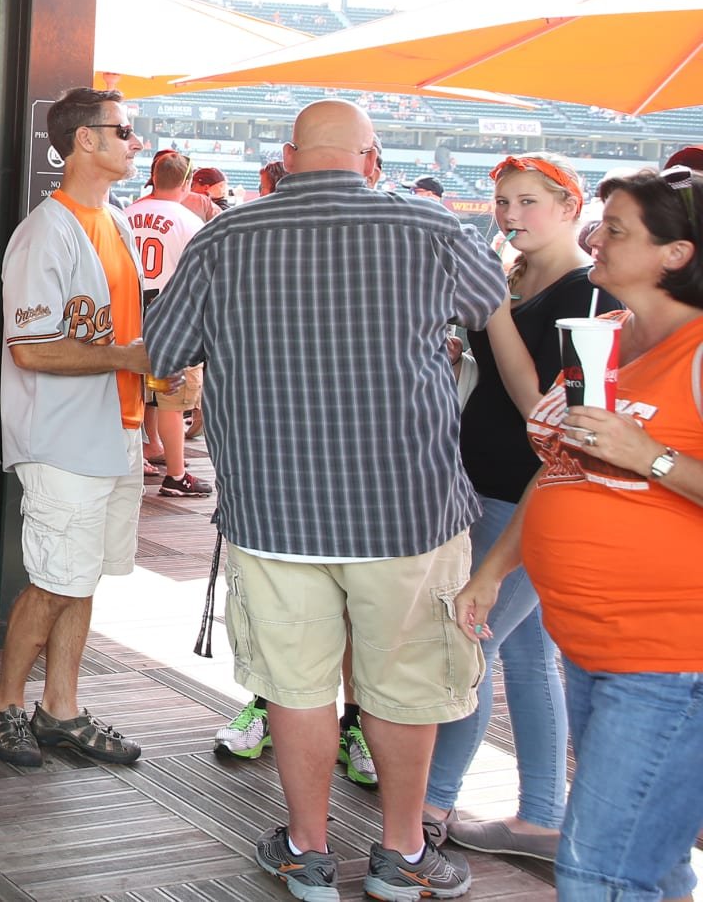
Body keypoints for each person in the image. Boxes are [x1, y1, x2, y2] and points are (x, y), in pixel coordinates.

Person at [146, 99, 504, 902]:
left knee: (296, 684)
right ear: (371, 160)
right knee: (406, 682)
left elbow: (166, 354)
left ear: (286, 157)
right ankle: (404, 854)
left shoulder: (226, 236)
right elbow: (495, 323)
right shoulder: (434, 230)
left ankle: (308, 852)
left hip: (276, 511)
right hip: (409, 508)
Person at [453, 167, 703, 901]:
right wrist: (494, 569)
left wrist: (650, 456)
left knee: (598, 872)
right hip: (593, 649)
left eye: (617, 229)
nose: (598, 236)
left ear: (676, 255)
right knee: (648, 865)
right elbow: (559, 472)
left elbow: (637, 458)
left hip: (668, 657)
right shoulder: (610, 338)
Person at [422, 154, 604, 863]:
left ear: (568, 206)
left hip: (529, 489)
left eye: (527, 202)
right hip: (487, 479)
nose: (510, 216)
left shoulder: (583, 292)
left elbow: (538, 407)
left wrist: (491, 309)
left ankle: (432, 800)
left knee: (473, 642)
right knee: (525, 652)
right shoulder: (520, 277)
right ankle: (540, 814)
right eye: (502, 202)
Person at [0, 87, 150, 772]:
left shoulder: (114, 224)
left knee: (80, 580)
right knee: (54, 579)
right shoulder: (45, 231)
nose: (136, 141)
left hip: (115, 428)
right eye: (125, 131)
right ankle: (3, 705)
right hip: (61, 439)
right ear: (86, 139)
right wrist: (126, 358)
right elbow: (30, 348)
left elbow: (123, 337)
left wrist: (158, 374)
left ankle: (62, 707)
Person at [124, 149, 208, 498]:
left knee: (136, 390)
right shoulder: (190, 221)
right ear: (187, 182)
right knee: (172, 398)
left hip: (129, 314)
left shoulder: (125, 213)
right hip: (171, 317)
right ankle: (176, 473)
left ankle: (147, 447)